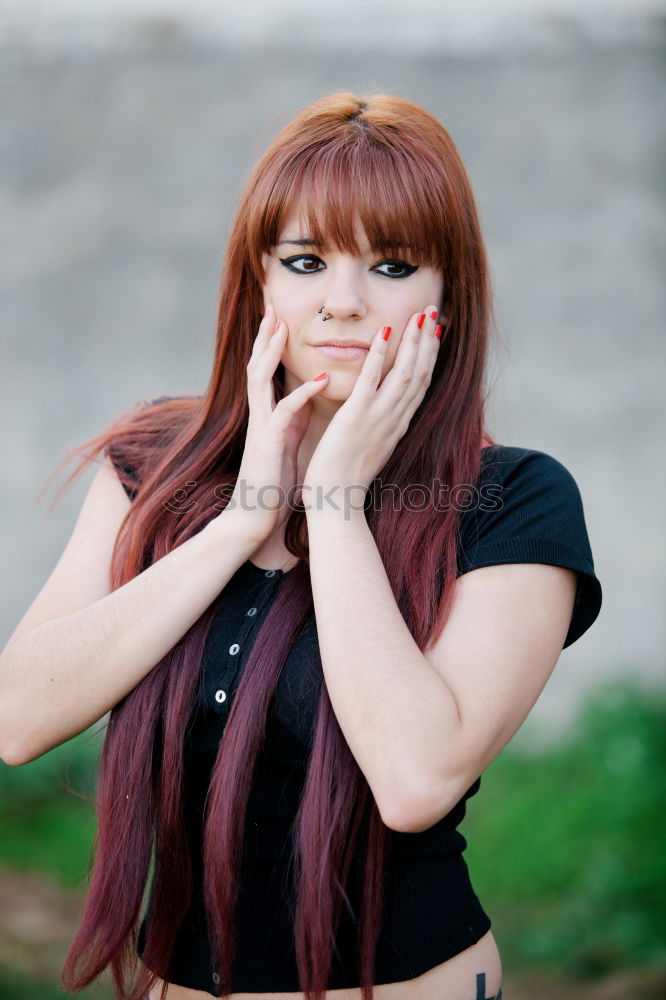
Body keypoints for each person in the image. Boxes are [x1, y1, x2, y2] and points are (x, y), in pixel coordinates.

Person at [0, 92, 602, 1000]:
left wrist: (336, 504)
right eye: (307, 260)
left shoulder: (514, 500)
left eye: (394, 264)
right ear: (261, 282)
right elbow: (19, 719)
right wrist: (241, 522)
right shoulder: (152, 465)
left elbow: (414, 780)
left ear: (448, 294)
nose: (344, 303)